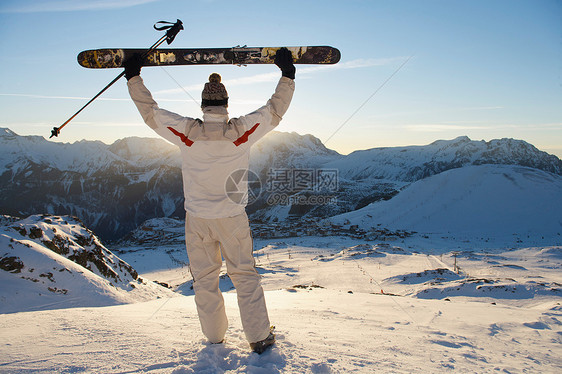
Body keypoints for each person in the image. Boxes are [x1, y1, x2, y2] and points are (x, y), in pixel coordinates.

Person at [124, 48, 295, 354]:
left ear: (203, 105)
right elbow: (274, 112)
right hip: (232, 217)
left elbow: (152, 114)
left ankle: (215, 338)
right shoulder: (241, 131)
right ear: (226, 105)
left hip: (197, 219)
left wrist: (134, 76)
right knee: (244, 276)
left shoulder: (188, 132)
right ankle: (258, 337)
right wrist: (287, 74)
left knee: (204, 280)